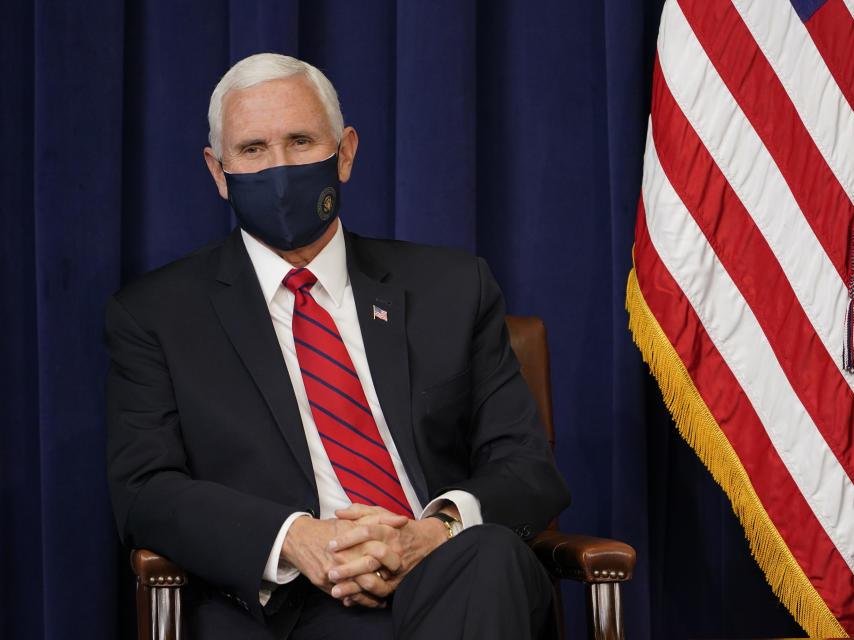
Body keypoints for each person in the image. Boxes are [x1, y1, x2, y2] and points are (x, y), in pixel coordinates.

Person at [104, 52, 570, 638]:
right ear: (217, 171)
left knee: (489, 556)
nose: (278, 168)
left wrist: (434, 533)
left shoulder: (452, 288)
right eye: (252, 150)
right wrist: (297, 539)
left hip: (454, 576)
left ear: (344, 153)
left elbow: (527, 469)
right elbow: (147, 492)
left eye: (301, 141)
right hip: (293, 607)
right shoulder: (156, 315)